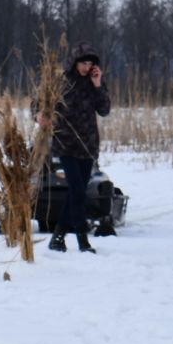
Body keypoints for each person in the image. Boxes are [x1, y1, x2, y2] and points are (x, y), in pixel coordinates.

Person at [43, 43, 111, 252]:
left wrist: (98, 84)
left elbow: (104, 110)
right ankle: (82, 240)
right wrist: (40, 114)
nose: (86, 66)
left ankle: (58, 238)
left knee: (77, 191)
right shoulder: (61, 82)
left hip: (88, 144)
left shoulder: (95, 83)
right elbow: (39, 102)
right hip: (66, 143)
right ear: (75, 62)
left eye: (90, 63)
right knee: (77, 189)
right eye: (83, 62)